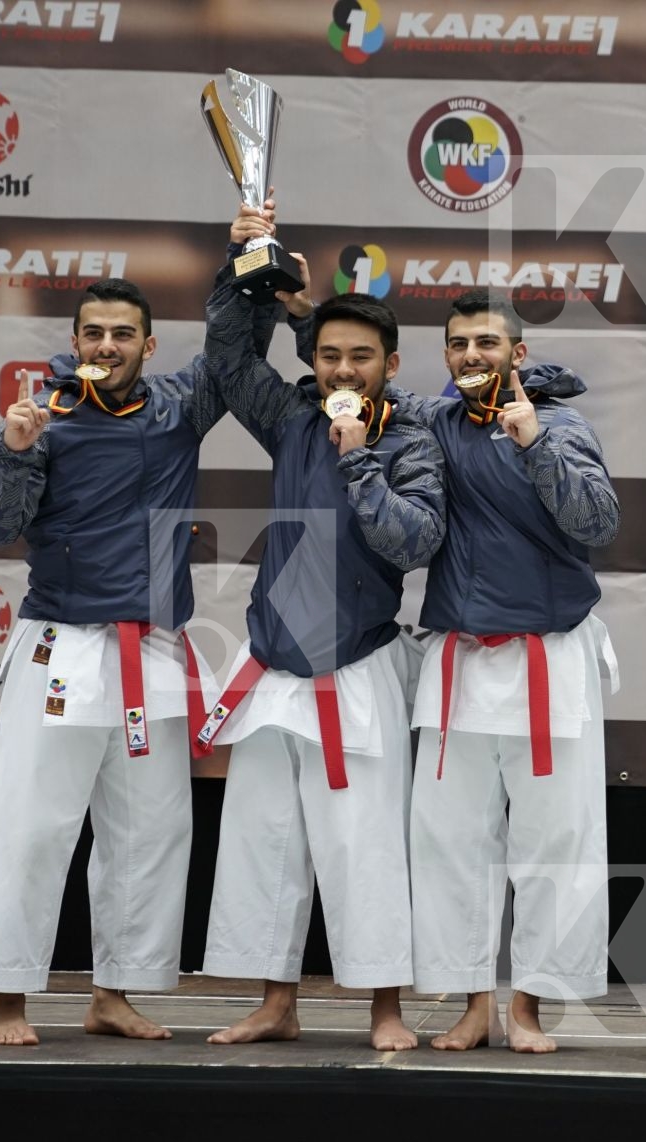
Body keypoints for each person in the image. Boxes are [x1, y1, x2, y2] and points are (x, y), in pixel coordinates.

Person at [0, 229, 274, 1045]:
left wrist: (253, 250)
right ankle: (6, 1001)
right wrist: (17, 454)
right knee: (29, 826)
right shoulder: (41, 420)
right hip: (62, 645)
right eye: (93, 333)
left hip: (152, 653)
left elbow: (236, 342)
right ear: (74, 342)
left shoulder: (178, 408)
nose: (106, 346)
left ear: (149, 344)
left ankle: (115, 993)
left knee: (150, 832)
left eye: (122, 334)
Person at [192, 203, 445, 1052]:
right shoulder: (292, 417)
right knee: (268, 844)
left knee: (363, 846)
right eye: (330, 353)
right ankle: (277, 1002)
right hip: (274, 667)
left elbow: (411, 540)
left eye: (360, 356)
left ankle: (384, 1008)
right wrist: (243, 274)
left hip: (357, 668)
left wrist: (357, 455)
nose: (344, 367)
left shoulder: (411, 438)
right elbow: (228, 363)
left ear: (390, 365)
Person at [380, 290, 619, 1052]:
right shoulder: (433, 425)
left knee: (555, 842)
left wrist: (534, 444)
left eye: (487, 342)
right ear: (446, 358)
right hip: (460, 657)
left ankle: (530, 1009)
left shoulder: (561, 426)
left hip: (548, 658)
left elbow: (599, 524)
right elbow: (350, 373)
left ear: (519, 354)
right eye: (458, 345)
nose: (472, 355)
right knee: (450, 843)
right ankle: (474, 1003)